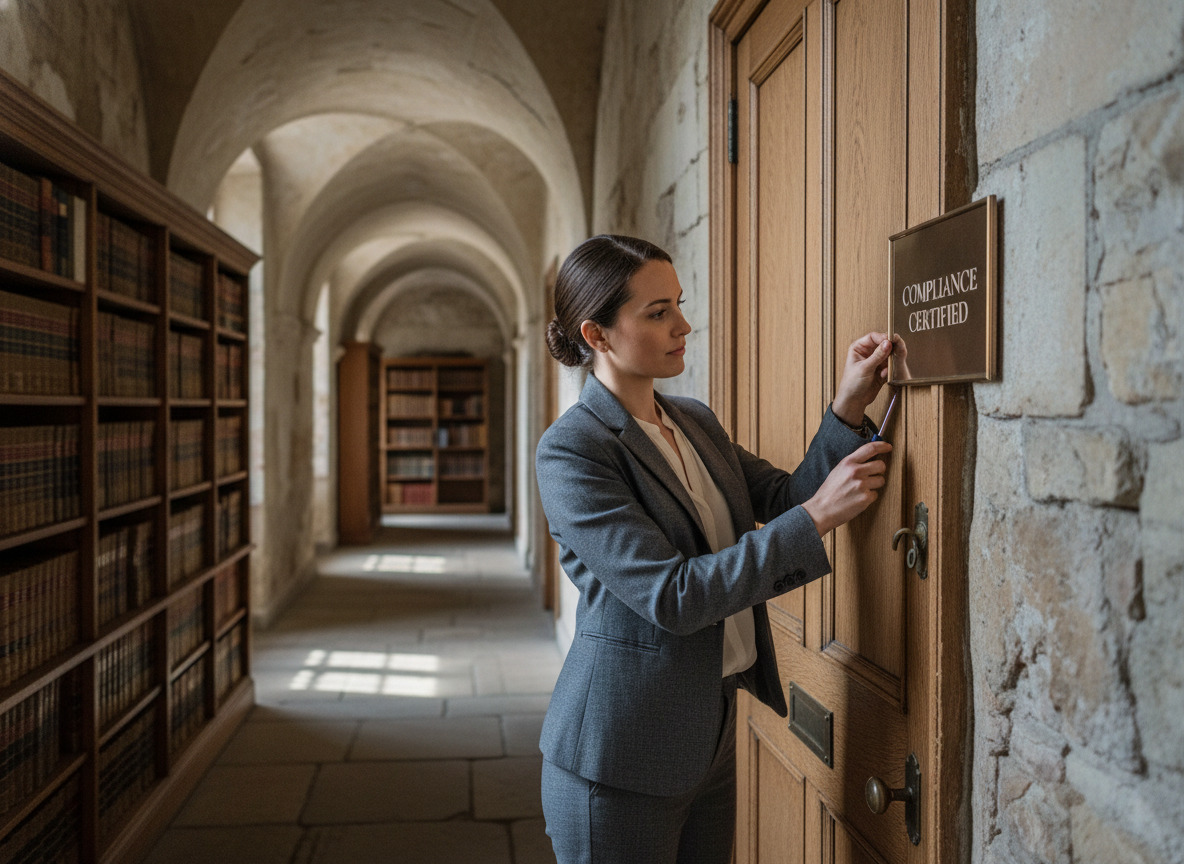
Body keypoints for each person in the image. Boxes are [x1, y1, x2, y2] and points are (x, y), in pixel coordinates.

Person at [536, 234, 894, 864]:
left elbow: (785, 499)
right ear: (596, 335)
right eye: (657, 313)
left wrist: (849, 403)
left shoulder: (694, 421)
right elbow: (672, 596)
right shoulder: (573, 451)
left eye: (678, 303)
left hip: (712, 733)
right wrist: (816, 515)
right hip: (619, 757)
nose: (684, 324)